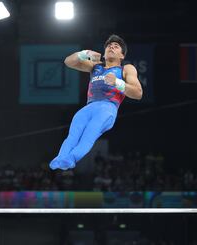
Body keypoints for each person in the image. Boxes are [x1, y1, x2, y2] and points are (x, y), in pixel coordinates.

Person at [49, 34, 143, 170]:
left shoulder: (126, 69)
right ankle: (60, 158)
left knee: (89, 134)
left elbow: (138, 93)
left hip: (108, 108)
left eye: (116, 46)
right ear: (103, 54)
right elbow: (68, 62)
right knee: (73, 135)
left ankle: (71, 158)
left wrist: (117, 82)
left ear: (122, 56)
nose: (112, 47)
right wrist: (84, 54)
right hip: (88, 108)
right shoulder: (95, 66)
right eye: (109, 46)